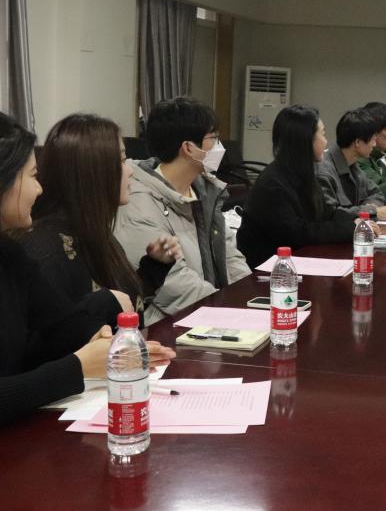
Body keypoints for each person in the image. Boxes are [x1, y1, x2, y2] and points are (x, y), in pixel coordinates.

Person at [0, 113, 175, 423]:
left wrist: (115, 345)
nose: (39, 189)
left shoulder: (9, 255)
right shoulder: (44, 247)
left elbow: (62, 323)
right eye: (31, 176)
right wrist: (79, 366)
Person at [19, 114, 182, 322]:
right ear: (93, 171)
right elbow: (54, 332)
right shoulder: (46, 250)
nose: (130, 171)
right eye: (122, 161)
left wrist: (155, 267)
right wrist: (102, 305)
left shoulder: (93, 229)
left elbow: (124, 302)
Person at [115, 98, 251, 325]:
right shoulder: (138, 202)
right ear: (189, 148)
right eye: (213, 138)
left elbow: (229, 255)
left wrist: (248, 297)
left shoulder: (205, 191)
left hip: (212, 315)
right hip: (171, 326)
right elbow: (174, 285)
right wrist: (227, 310)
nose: (219, 146)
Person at [238, 105, 364, 269]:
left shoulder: (303, 173)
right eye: (323, 134)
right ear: (305, 140)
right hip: (272, 271)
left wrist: (356, 223)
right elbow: (298, 234)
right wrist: (349, 229)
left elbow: (325, 213)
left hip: (299, 262)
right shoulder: (272, 183)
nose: (326, 141)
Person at [316, 108, 386, 221]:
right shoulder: (324, 170)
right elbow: (333, 215)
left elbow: (377, 193)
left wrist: (368, 209)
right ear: (357, 142)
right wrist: (371, 211)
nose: (374, 144)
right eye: (373, 139)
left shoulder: (353, 165)